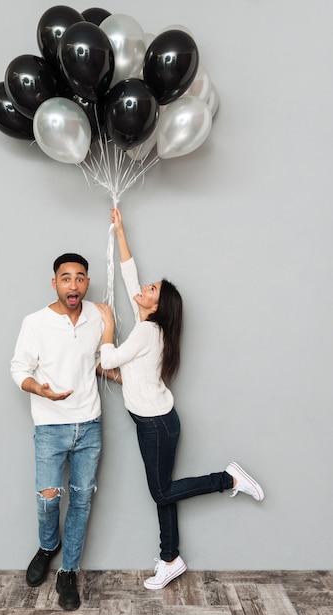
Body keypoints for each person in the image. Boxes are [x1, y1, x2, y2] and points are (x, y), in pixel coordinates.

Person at [96, 209, 264, 590]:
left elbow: (108, 356)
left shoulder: (145, 332)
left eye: (150, 290)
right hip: (155, 421)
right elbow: (128, 275)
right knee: (164, 490)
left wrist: (107, 328)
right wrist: (120, 232)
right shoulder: (148, 327)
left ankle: (228, 478)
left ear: (155, 306)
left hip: (156, 425)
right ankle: (170, 558)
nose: (141, 289)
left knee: (160, 491)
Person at [11, 252, 120, 611]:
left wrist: (120, 371)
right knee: (48, 499)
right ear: (55, 282)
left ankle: (68, 572)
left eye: (79, 277)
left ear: (87, 282)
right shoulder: (35, 322)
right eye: (66, 278)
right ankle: (47, 546)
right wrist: (39, 389)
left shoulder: (98, 315)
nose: (73, 284)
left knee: (82, 501)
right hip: (50, 426)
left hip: (89, 424)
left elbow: (98, 362)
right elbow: (18, 368)